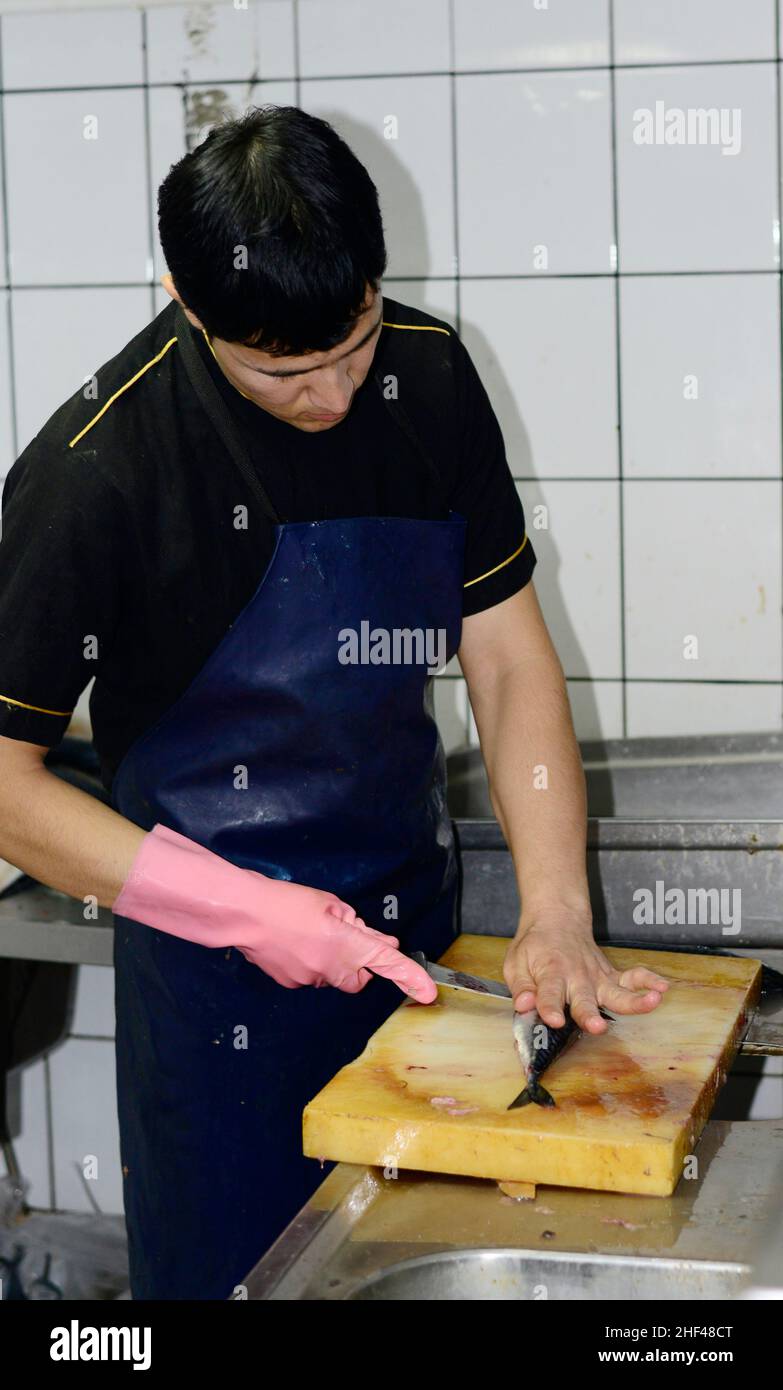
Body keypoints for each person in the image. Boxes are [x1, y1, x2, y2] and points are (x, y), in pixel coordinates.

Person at [0, 106, 668, 1300]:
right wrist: (247, 910)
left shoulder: (431, 377)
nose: (332, 398)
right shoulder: (98, 471)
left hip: (421, 965)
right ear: (188, 304)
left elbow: (508, 660)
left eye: (352, 346)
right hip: (219, 1017)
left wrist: (558, 911)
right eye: (282, 372)